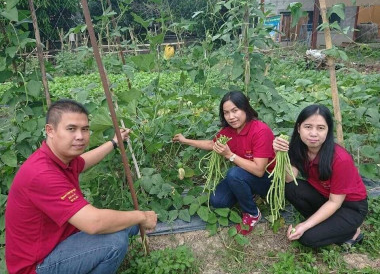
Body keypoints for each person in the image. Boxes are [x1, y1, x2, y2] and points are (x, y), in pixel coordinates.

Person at [5, 99, 157, 274]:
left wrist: (114, 142)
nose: (80, 136)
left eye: (85, 129)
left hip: (58, 242)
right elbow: (94, 223)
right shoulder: (41, 174)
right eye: (71, 129)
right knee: (115, 242)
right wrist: (141, 216)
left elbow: (83, 162)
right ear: (50, 130)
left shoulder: (59, 159)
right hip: (37, 266)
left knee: (127, 225)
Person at [172, 90, 275, 235]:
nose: (231, 117)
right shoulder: (229, 131)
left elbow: (259, 170)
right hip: (245, 175)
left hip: (266, 180)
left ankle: (252, 213)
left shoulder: (260, 131)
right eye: (226, 113)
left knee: (233, 174)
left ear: (245, 108)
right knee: (218, 201)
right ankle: (248, 193)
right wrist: (185, 140)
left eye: (235, 110)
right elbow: (211, 144)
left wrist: (230, 155)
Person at [273, 104, 368, 248]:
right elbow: (289, 178)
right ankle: (329, 226)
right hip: (325, 197)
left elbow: (335, 202)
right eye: (308, 127)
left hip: (350, 207)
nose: (313, 133)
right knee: (290, 187)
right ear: (299, 128)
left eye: (320, 128)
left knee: (307, 238)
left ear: (328, 131)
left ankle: (351, 231)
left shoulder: (340, 159)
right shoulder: (299, 148)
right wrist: (280, 153)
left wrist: (305, 225)